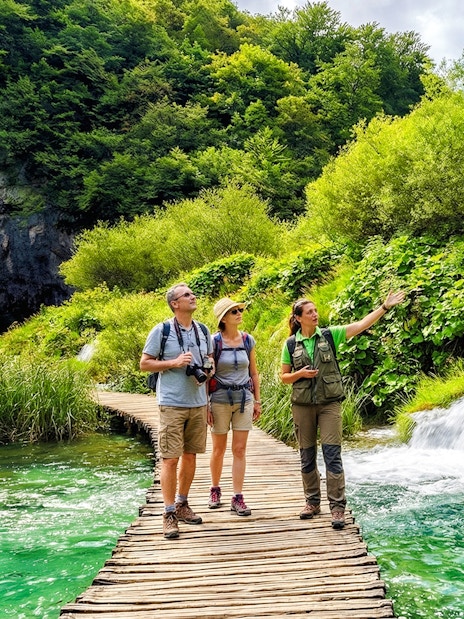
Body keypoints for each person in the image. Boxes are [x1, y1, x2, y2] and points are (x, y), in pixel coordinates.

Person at [280, 291, 405, 529]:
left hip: (330, 405)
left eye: (315, 311)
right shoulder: (290, 344)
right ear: (298, 318)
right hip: (302, 406)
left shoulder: (329, 335)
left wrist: (384, 307)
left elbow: (359, 325)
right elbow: (284, 377)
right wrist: (300, 374)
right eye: (310, 312)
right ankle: (312, 503)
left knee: (332, 455)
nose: (315, 315)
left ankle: (337, 509)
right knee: (306, 457)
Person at [140, 283, 213, 539]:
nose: (193, 297)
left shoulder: (203, 330)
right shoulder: (162, 330)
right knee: (170, 458)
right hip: (171, 403)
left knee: (191, 456)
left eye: (193, 293)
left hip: (198, 403)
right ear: (175, 303)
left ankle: (183, 504)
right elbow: (144, 363)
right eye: (187, 295)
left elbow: (210, 360)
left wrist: (206, 370)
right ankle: (168, 513)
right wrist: (174, 362)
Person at [207, 298, 261, 516]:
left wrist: (257, 400)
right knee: (218, 449)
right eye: (234, 312)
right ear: (223, 318)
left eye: (240, 310)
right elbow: (207, 374)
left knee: (239, 449)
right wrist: (206, 405)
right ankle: (215, 489)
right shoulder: (213, 342)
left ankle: (237, 497)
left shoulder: (248, 340)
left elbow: (254, 373)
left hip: (244, 399)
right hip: (219, 399)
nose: (239, 313)